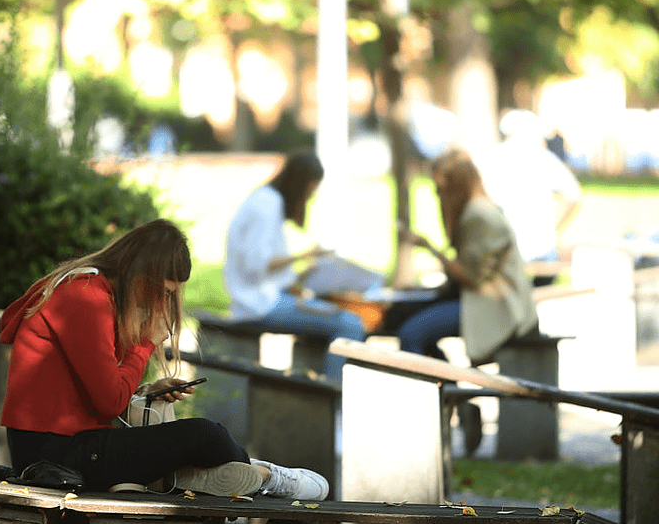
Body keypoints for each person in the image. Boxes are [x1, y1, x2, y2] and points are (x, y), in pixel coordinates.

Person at [0, 218, 328, 500]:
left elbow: (89, 392)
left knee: (196, 435)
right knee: (204, 435)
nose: (166, 300)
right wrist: (144, 344)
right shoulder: (86, 296)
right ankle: (265, 476)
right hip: (55, 455)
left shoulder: (91, 290)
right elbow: (108, 403)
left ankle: (181, 474)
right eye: (165, 291)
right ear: (141, 274)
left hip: (67, 445)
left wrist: (145, 390)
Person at [397, 149, 539, 455]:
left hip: (495, 306)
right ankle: (455, 401)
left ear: (454, 184)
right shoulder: (478, 208)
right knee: (414, 329)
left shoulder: (478, 215)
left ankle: (448, 406)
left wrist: (429, 248)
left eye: (440, 188)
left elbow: (472, 277)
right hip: (484, 299)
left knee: (411, 333)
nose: (438, 194)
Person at [223, 150, 366, 380]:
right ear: (301, 184)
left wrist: (307, 272)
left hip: (264, 297)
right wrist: (305, 255)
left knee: (341, 312)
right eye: (310, 191)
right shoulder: (267, 205)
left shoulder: (268, 200)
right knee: (351, 324)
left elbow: (266, 268)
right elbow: (257, 264)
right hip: (258, 305)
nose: (310, 198)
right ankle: (333, 396)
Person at [473, 109, 581, 286]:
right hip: (542, 251)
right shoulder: (544, 159)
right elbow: (574, 196)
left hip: (502, 249)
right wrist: (554, 231)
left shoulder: (487, 158)